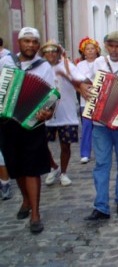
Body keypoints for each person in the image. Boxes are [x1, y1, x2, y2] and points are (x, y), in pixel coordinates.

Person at [81, 31, 118, 221]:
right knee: (102, 163)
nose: (114, 50)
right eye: (111, 46)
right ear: (106, 46)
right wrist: (86, 91)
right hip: (100, 121)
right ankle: (101, 206)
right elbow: (86, 82)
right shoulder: (99, 63)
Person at [0, 27, 55, 233]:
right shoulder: (5, 63)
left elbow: (51, 96)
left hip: (32, 123)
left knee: (32, 168)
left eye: (34, 42)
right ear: (19, 42)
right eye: (26, 41)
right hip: (7, 122)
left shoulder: (44, 67)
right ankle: (25, 200)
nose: (30, 45)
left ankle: (35, 214)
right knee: (15, 167)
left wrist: (46, 112)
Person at [42, 40, 86, 187]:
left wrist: (65, 73)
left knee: (65, 146)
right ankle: (54, 167)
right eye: (47, 51)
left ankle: (63, 173)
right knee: (41, 144)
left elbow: (81, 82)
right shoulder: (41, 68)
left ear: (58, 53)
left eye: (53, 51)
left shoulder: (68, 66)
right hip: (45, 114)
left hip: (66, 112)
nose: (50, 54)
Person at [76, 37, 101, 163]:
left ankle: (100, 151)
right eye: (87, 49)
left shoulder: (101, 62)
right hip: (85, 100)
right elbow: (77, 80)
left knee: (100, 127)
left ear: (97, 51)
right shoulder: (79, 65)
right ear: (83, 52)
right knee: (86, 126)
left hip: (100, 100)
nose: (90, 51)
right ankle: (85, 152)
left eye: (92, 49)